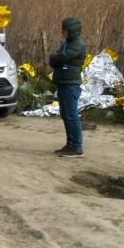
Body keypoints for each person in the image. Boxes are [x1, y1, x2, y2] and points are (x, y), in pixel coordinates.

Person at [50, 17, 87, 158]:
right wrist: (55, 58)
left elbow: (62, 57)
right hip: (63, 82)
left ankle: (76, 147)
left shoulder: (78, 45)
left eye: (64, 29)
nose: (61, 32)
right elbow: (55, 59)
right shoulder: (66, 43)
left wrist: (56, 57)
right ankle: (70, 144)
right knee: (65, 115)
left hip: (71, 84)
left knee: (71, 116)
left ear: (71, 31)